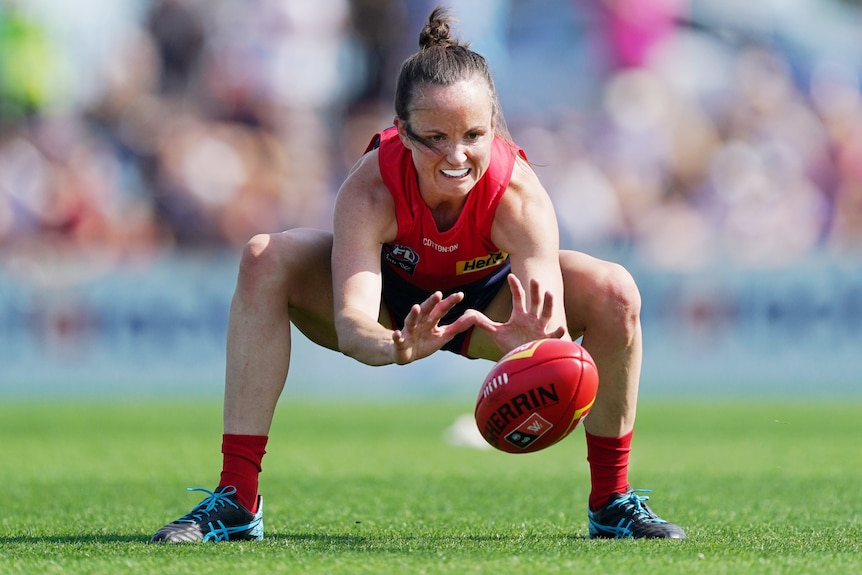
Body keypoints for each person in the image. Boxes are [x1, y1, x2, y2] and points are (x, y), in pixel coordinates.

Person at [150, 6, 686, 542]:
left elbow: (546, 324)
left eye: (474, 135)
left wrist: (535, 349)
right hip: (393, 308)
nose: (457, 156)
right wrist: (395, 345)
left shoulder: (520, 194)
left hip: (489, 310)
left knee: (617, 290)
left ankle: (612, 502)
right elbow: (354, 320)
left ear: (493, 125)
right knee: (265, 257)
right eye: (435, 138)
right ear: (402, 132)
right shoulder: (371, 187)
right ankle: (238, 498)